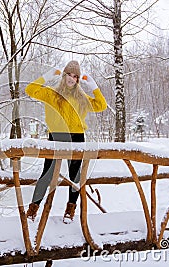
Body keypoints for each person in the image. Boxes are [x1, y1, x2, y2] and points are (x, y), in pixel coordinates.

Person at [25, 60, 107, 223]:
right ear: (64, 76)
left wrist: (94, 87)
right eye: (69, 74)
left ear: (77, 80)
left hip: (77, 138)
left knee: (74, 175)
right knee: (47, 174)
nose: (71, 78)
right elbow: (30, 90)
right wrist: (47, 76)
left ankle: (70, 209)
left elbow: (101, 105)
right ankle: (33, 209)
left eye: (75, 76)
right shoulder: (51, 94)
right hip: (56, 136)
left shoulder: (82, 98)